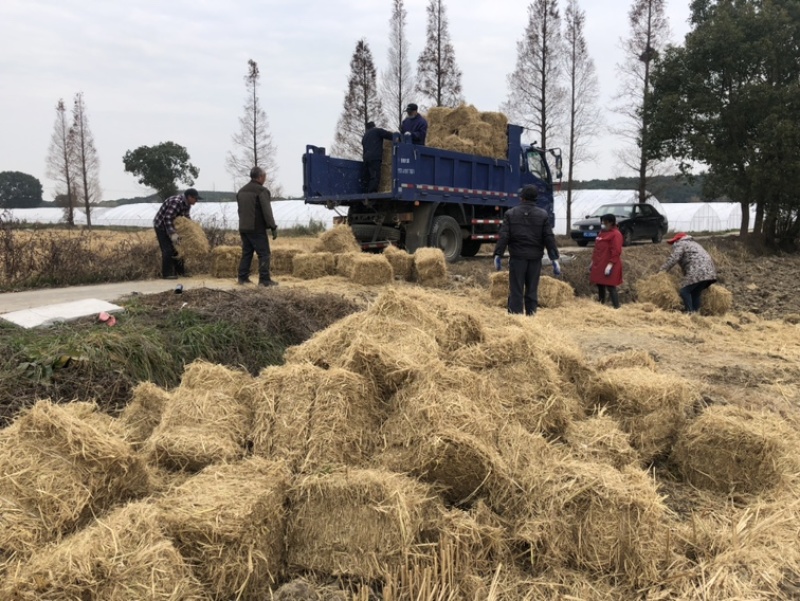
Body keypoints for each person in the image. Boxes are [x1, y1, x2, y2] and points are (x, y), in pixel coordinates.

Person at [493, 185, 560, 315]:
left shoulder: (510, 214)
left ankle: (516, 319)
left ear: (521, 197)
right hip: (535, 259)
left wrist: (498, 254)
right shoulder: (542, 215)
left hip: (517, 258)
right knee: (532, 290)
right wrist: (554, 259)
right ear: (536, 198)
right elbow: (549, 238)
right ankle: (531, 317)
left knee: (516, 290)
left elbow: (504, 236)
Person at [237, 166, 278, 287]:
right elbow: (267, 211)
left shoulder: (241, 191)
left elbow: (240, 210)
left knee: (247, 253)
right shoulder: (261, 191)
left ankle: (242, 278)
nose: (265, 179)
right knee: (264, 253)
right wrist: (273, 227)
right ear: (260, 177)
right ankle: (264, 280)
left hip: (243, 227)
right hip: (256, 227)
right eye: (264, 177)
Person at [659, 232, 717, 313]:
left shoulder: (681, 244)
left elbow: (673, 258)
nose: (673, 245)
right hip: (710, 272)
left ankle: (689, 313)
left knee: (684, 291)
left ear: (678, 240)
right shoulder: (694, 244)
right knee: (695, 293)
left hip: (698, 270)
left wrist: (662, 271)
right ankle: (696, 315)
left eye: (674, 242)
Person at [153, 188, 202, 279]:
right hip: (162, 226)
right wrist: (172, 234)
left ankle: (180, 272)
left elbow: (186, 218)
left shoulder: (187, 204)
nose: (196, 201)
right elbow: (167, 218)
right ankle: (167, 274)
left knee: (179, 250)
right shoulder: (176, 202)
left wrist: (192, 230)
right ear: (189, 197)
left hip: (174, 227)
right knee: (167, 250)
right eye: (195, 198)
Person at [590, 213, 623, 309]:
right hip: (599, 262)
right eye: (602, 222)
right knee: (600, 283)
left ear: (611, 223)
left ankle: (616, 307)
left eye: (605, 223)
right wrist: (593, 261)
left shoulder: (616, 234)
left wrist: (610, 264)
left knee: (610, 285)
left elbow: (616, 251)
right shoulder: (601, 233)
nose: (603, 224)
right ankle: (601, 304)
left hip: (610, 263)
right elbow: (597, 249)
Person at [362, 121, 393, 193]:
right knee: (375, 175)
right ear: (374, 126)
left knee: (368, 176)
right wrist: (397, 137)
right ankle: (372, 192)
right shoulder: (377, 131)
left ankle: (366, 191)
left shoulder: (365, 136)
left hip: (366, 158)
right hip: (375, 157)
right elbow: (388, 135)